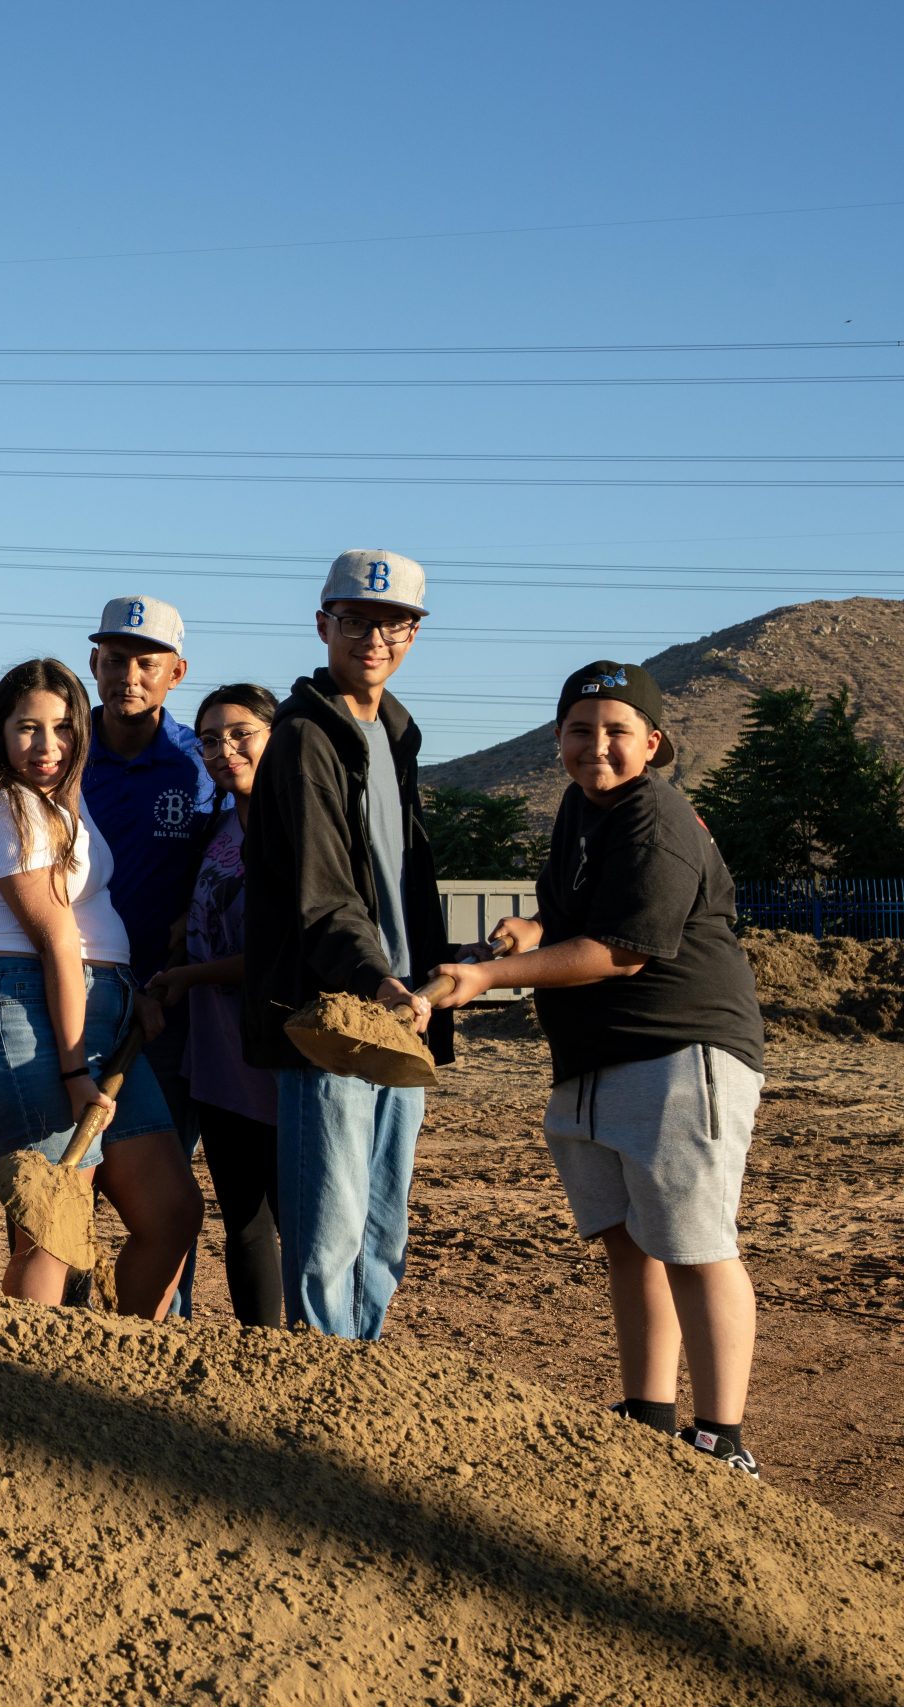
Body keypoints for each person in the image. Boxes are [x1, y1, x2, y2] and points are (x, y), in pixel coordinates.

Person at [428, 662, 767, 1477]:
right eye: (581, 730)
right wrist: (526, 928)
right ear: (558, 741)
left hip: (677, 1051)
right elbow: (577, 916)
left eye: (617, 731)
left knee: (693, 1244)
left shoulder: (654, 816)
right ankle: (649, 1412)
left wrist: (485, 977)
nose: (597, 746)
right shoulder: (582, 812)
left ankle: (723, 1436)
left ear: (652, 742)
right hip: (597, 1059)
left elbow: (620, 950)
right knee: (628, 1242)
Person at [0, 658, 200, 1313]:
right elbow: (56, 938)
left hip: (97, 1012)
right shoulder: (10, 807)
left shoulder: (59, 806)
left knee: (171, 1210)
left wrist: (127, 988)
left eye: (61, 727)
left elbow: (86, 930)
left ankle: (112, 1376)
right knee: (51, 1230)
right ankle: (31, 1395)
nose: (46, 745)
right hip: (26, 1014)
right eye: (27, 728)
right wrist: (75, 1065)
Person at [242, 550, 453, 1342]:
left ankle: (362, 1383)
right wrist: (376, 980)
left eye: (392, 622)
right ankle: (324, 1396)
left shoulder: (394, 736)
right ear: (324, 624)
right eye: (356, 620)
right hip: (337, 1017)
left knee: (381, 1226)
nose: (374, 636)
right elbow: (320, 892)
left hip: (399, 1012)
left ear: (413, 632)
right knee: (329, 1229)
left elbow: (397, 886)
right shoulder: (304, 738)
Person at [80, 595, 213, 1318]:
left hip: (162, 1010)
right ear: (93, 663)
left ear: (175, 672)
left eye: (146, 661)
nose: (128, 673)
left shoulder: (198, 764)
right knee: (65, 1176)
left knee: (164, 1184)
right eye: (115, 657)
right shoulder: (64, 750)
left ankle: (166, 1333)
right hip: (67, 998)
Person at [140, 686, 283, 1328]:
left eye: (241, 734)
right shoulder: (222, 825)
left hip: (279, 1055)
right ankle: (263, 1357)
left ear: (277, 736)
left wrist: (190, 975)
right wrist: (182, 929)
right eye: (210, 740)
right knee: (243, 1221)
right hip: (220, 1053)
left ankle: (316, 1360)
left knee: (295, 1222)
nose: (224, 751)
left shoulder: (297, 828)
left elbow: (285, 951)